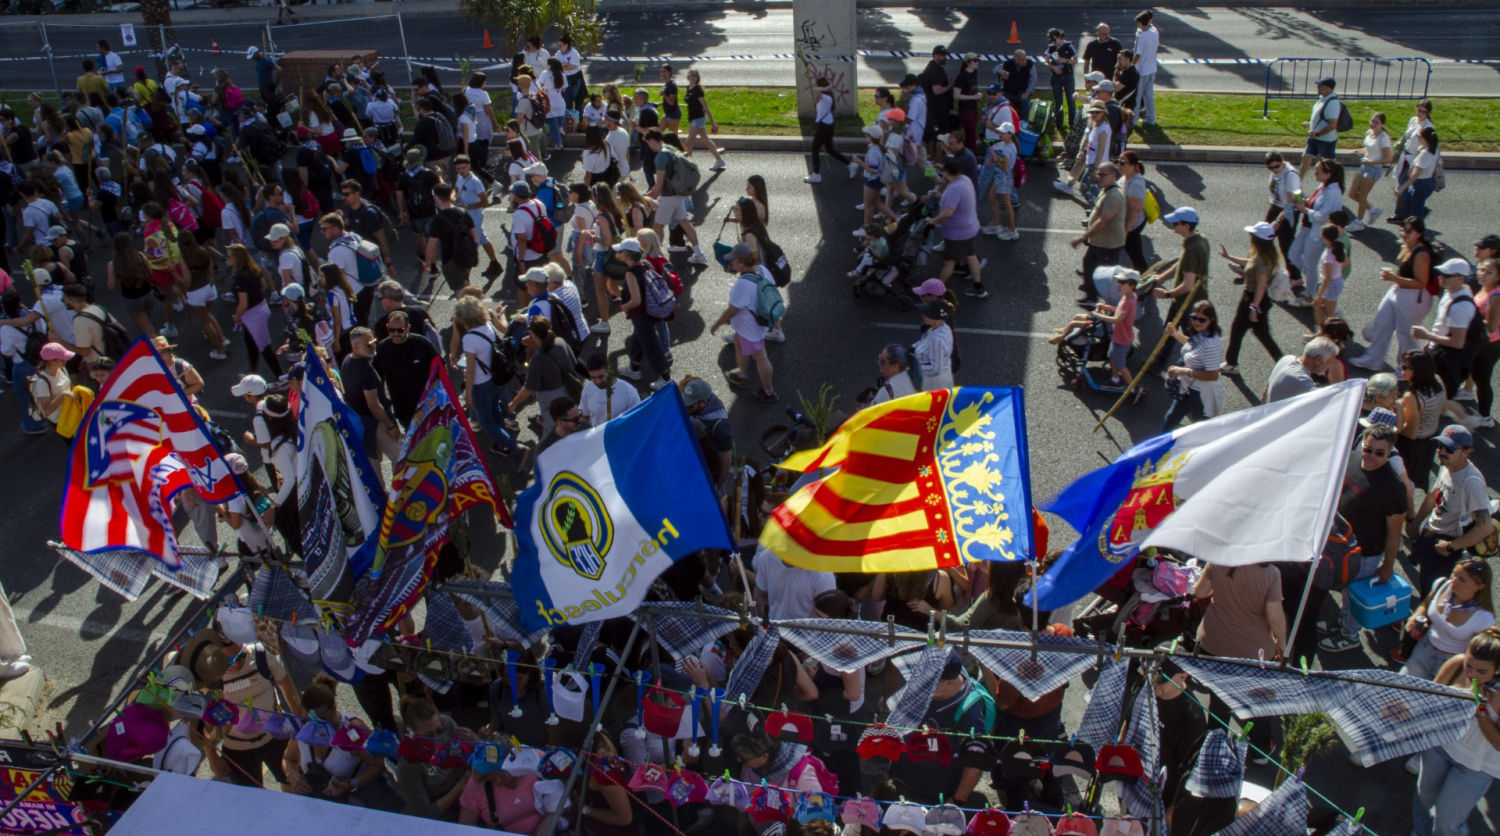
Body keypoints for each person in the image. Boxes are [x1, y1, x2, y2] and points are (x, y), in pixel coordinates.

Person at [1316, 423, 1410, 654]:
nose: (1371, 456)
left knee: (1354, 595)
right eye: (1368, 449)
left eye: (1379, 453)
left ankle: (1350, 634)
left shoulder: (1393, 487)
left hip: (1365, 553)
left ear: (1390, 453)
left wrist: (1388, 564)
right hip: (1340, 545)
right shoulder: (1353, 458)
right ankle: (1343, 623)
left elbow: (1394, 531)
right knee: (1345, 591)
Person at [1410, 628, 1500, 836]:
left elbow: (1498, 744)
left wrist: (1480, 709)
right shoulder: (1456, 664)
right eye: (1469, 665)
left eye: (1482, 672)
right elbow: (1428, 701)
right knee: (1424, 800)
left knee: (1447, 822)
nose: (1472, 674)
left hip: (1475, 766)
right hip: (1440, 747)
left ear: (1497, 670)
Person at [885, 654, 990, 806]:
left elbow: (975, 763)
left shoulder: (970, 713)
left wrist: (957, 799)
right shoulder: (938, 678)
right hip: (901, 780)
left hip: (934, 794)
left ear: (948, 683)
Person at [1407, 424, 1494, 593]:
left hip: (1447, 544)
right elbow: (1434, 495)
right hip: (1431, 532)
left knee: (1434, 591)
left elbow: (1485, 527)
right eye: (1440, 446)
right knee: (1424, 577)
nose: (1441, 451)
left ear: (1466, 452)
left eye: (1450, 448)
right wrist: (1415, 522)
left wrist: (1451, 547)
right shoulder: (1447, 465)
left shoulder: (1472, 482)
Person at [1351, 217, 1436, 370]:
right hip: (1399, 291)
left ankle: (1406, 368)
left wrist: (1393, 278)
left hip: (1414, 298)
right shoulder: (1407, 245)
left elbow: (1421, 283)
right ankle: (1373, 359)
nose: (1403, 233)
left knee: (1406, 336)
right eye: (1403, 229)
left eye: (1409, 231)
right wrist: (1395, 278)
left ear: (1418, 234)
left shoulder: (1421, 254)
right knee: (1382, 323)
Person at [1401, 559, 1496, 681]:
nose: (1453, 580)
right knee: (1402, 686)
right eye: (1454, 573)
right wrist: (1416, 616)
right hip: (1424, 649)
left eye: (1462, 579)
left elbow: (1478, 654)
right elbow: (1426, 604)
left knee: (1432, 693)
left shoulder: (1484, 618)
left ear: (1479, 586)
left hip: (1451, 663)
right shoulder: (1441, 585)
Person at [708, 242, 776, 402]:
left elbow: (733, 309)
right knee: (738, 342)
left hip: (750, 327)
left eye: (733, 260)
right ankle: (742, 375)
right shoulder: (762, 270)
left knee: (761, 358)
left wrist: (717, 324)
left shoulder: (743, 283)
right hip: (759, 320)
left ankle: (769, 392)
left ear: (742, 261)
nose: (731, 263)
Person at [392, 696, 477, 820]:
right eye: (428, 735)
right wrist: (461, 784)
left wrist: (477, 742)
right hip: (447, 816)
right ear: (412, 733)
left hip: (472, 797)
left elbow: (466, 754)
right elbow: (426, 814)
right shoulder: (408, 765)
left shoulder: (446, 724)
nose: (437, 737)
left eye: (439, 730)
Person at [1219, 221, 1284, 374]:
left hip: (1253, 299)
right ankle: (1283, 362)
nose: (1250, 236)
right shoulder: (1264, 255)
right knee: (1262, 334)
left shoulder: (1262, 260)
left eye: (1252, 235)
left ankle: (1231, 363)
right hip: (1256, 299)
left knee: (1238, 330)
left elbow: (1261, 286)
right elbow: (1250, 263)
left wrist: (1254, 308)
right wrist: (1229, 257)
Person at [342, 326, 403, 474]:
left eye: (374, 342)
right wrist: (390, 426)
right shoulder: (365, 371)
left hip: (361, 424)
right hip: (376, 423)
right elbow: (374, 405)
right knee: (401, 457)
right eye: (368, 345)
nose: (373, 346)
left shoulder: (347, 361)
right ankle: (402, 487)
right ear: (356, 346)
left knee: (373, 467)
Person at [1285, 158, 1345, 306]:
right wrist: (1303, 201)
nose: (1314, 173)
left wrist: (1304, 209)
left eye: (1318, 171)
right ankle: (1314, 280)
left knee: (1310, 265)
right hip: (1307, 227)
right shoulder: (1323, 186)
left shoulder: (1333, 192)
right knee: (1293, 254)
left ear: (1328, 174)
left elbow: (1323, 216)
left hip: (1317, 233)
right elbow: (1314, 205)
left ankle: (1309, 296)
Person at [643, 130, 707, 265]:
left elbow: (659, 184)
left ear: (652, 141)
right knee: (684, 221)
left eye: (648, 143)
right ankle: (699, 254)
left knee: (658, 227)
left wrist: (648, 198)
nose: (648, 146)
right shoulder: (670, 149)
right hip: (679, 193)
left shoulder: (660, 157)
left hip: (668, 196)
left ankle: (655, 259)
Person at [509, 316, 579, 436]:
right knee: (573, 424)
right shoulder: (560, 342)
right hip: (570, 391)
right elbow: (573, 363)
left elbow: (528, 388)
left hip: (552, 401)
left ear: (533, 334)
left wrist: (514, 403)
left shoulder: (538, 359)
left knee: (555, 433)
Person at [1162, 300, 1224, 430]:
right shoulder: (1201, 335)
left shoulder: (1211, 344)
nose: (1197, 322)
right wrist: (1174, 333)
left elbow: (1213, 375)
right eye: (1194, 318)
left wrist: (1183, 371)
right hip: (1188, 388)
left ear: (1211, 320)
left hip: (1200, 395)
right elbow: (1191, 344)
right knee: (1170, 420)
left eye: (1202, 320)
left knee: (1200, 428)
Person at [1071, 162, 1126, 305]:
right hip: (1099, 241)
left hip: (1109, 244)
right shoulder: (1107, 189)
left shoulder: (1114, 195)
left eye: (1102, 174)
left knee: (1109, 276)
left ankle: (1114, 304)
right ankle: (1091, 296)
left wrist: (1083, 237)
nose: (1098, 177)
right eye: (1098, 174)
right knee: (1089, 265)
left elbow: (1103, 221)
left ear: (1113, 176)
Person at [373, 310, 439, 426]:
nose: (396, 333)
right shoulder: (382, 350)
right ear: (387, 328)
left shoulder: (422, 343)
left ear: (408, 328)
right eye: (392, 330)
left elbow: (439, 368)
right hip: (404, 411)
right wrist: (384, 402)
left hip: (428, 405)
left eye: (400, 330)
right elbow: (378, 379)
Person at [930, 159, 984, 298]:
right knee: (971, 255)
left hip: (957, 233)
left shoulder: (954, 189)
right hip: (970, 228)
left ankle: (936, 290)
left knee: (949, 262)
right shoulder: (964, 179)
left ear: (947, 172)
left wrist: (933, 220)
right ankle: (978, 287)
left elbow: (947, 213)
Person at [424, 183, 478, 296]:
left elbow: (431, 245)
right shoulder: (463, 212)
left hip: (450, 260)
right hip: (467, 255)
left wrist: (428, 263)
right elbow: (474, 236)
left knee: (460, 293)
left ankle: (470, 307)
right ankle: (474, 303)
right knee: (466, 285)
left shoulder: (438, 220)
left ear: (437, 198)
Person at [1348, 112, 1393, 231]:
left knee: (1362, 196)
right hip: (1364, 166)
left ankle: (1359, 222)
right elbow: (1368, 148)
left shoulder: (1383, 138)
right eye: (1372, 121)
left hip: (1373, 169)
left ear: (1382, 124)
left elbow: (1389, 158)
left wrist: (1371, 163)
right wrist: (1359, 150)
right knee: (1352, 194)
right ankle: (1373, 210)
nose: (1372, 124)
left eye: (1376, 122)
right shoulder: (1369, 132)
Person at [1469, 258, 1500, 428]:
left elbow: (1491, 326)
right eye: (1481, 270)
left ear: (1497, 276)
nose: (1483, 274)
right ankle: (1467, 394)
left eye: (1489, 272)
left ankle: (1485, 417)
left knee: (1482, 379)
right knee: (1475, 374)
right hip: (1480, 340)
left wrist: (1468, 318)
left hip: (1490, 344)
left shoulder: (1495, 296)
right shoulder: (1484, 288)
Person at [805, 78, 854, 184]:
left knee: (815, 150)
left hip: (823, 127)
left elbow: (815, 90)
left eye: (818, 85)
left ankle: (816, 175)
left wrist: (826, 88)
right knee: (830, 149)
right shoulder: (825, 98)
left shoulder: (826, 98)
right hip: (827, 125)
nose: (816, 87)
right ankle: (850, 164)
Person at [1263, 336, 1338, 403]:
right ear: (1318, 360)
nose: (1329, 367)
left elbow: (1267, 387)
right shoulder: (1302, 381)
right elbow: (1326, 400)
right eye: (1330, 362)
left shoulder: (1286, 358)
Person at [579, 353, 640, 427]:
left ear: (608, 370)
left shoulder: (630, 393)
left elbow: (636, 421)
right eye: (593, 377)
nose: (598, 382)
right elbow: (585, 416)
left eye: (601, 376)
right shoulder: (587, 389)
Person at [1395, 125, 1441, 223]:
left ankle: (1417, 227)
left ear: (1425, 139)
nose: (1418, 138)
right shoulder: (1434, 149)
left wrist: (1402, 188)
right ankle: (1420, 214)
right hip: (1426, 183)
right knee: (1409, 204)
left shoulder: (1425, 155)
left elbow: (1414, 175)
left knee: (1415, 213)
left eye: (1419, 136)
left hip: (1420, 185)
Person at [1300, 76, 1343, 178]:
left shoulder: (1333, 103)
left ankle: (1331, 184)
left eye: (1320, 86)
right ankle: (1296, 185)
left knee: (1327, 166)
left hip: (1326, 140)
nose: (1318, 88)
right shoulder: (1322, 99)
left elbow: (1333, 125)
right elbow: (1321, 117)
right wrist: (1310, 123)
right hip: (1314, 137)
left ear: (1329, 88)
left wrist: (1318, 134)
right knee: (1305, 158)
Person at [914, 299, 955, 391]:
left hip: (933, 385)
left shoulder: (937, 340)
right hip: (943, 376)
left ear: (936, 317)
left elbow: (935, 369)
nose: (923, 315)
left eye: (927, 314)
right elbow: (925, 342)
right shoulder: (942, 327)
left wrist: (914, 367)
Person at [1043, 28, 1079, 133]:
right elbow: (1046, 61)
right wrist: (1053, 67)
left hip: (1068, 76)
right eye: (1051, 40)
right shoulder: (1051, 48)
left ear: (1059, 37)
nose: (1053, 42)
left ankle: (1072, 123)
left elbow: (1075, 61)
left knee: (1071, 100)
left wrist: (1064, 60)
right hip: (1056, 77)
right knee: (1058, 101)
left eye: (1054, 39)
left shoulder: (1069, 46)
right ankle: (1059, 124)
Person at [1132, 10, 1160, 126]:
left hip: (1142, 70)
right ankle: (1151, 119)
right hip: (1152, 68)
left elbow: (1137, 54)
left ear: (1140, 23)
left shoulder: (1141, 36)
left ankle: (1134, 120)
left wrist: (1132, 66)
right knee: (1149, 95)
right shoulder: (1155, 32)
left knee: (1137, 96)